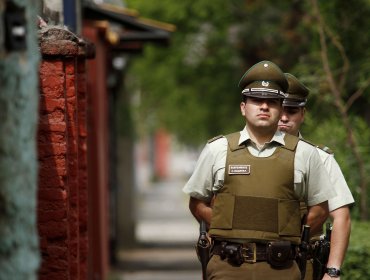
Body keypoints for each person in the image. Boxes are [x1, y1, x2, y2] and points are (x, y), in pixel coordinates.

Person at [183, 60, 337, 280]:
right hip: (226, 267)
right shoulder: (217, 149)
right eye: (257, 100)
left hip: (283, 268)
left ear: (280, 108)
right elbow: (197, 202)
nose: (264, 107)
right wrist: (226, 223)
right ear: (243, 108)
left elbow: (321, 209)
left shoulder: (305, 154)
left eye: (272, 102)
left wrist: (291, 230)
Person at [278, 73, 355, 279]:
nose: (284, 118)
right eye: (280, 110)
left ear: (303, 114)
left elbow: (341, 216)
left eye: (292, 111)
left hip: (303, 261)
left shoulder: (320, 158)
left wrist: (332, 271)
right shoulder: (243, 154)